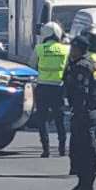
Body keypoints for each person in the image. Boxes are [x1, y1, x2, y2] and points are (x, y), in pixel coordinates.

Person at [63, 28, 96, 190]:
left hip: (85, 113)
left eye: (74, 48)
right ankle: (81, 184)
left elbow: (81, 92)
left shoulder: (82, 66)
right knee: (78, 150)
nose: (71, 51)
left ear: (81, 49)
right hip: (83, 112)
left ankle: (87, 186)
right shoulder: (79, 63)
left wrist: (78, 112)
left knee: (86, 150)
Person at [32, 21, 69, 159]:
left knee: (42, 119)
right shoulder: (66, 49)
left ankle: (45, 149)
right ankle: (62, 148)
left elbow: (31, 65)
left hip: (42, 87)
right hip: (58, 87)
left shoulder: (39, 48)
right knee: (59, 119)